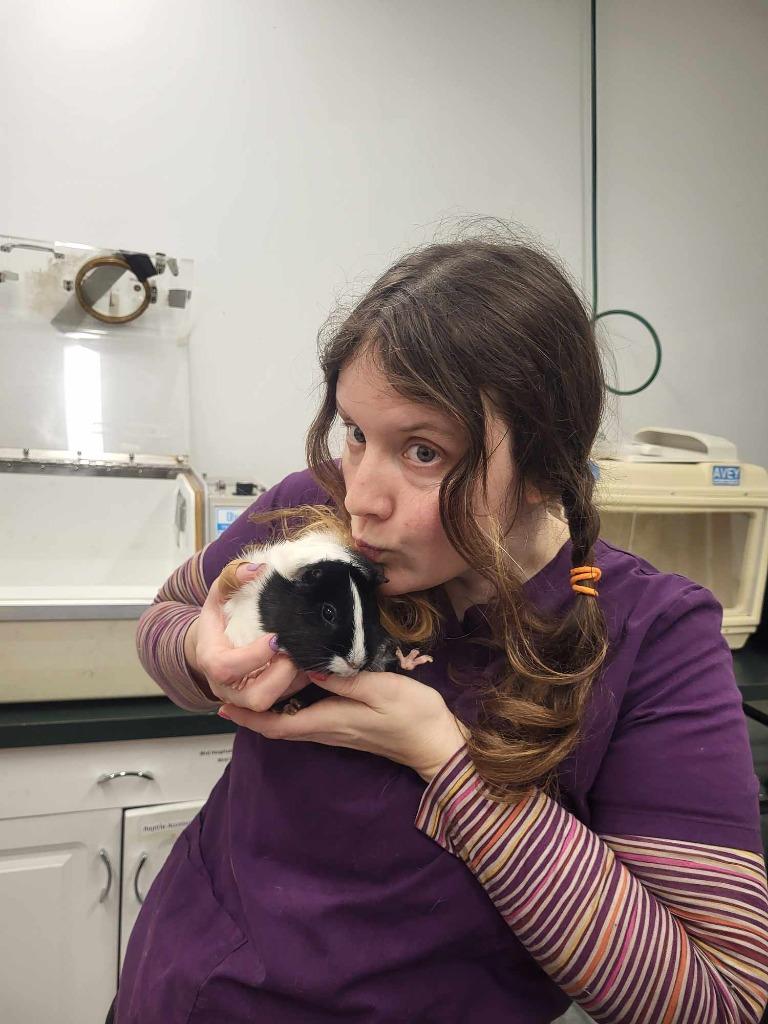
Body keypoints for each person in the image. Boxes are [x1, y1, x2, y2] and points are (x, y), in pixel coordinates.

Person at [111, 230, 768, 1024]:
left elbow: (718, 1000)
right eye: (357, 433)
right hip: (180, 991)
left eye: (423, 452)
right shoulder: (307, 507)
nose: (361, 497)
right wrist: (200, 651)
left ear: (544, 467)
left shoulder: (656, 638)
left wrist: (443, 757)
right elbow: (167, 617)